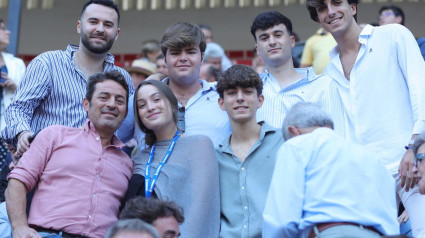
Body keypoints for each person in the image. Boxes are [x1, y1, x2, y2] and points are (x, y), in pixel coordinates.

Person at [305, 0, 425, 235]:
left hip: (411, 164)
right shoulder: (329, 71)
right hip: (367, 180)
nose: (330, 11)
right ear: (318, 19)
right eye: (322, 8)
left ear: (353, 6)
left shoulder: (393, 35)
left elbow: (421, 92)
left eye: (337, 2)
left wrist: (417, 148)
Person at [5, 71, 133, 238]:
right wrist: (20, 227)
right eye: (104, 97)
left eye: (120, 100)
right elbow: (17, 182)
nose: (112, 104)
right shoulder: (55, 136)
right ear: (86, 104)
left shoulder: (127, 163)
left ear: (125, 113)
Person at [1, 0, 134, 157]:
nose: (100, 29)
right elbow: (18, 109)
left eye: (108, 24)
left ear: (116, 33)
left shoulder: (122, 79)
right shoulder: (47, 64)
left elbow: (127, 127)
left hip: (98, 173)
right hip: (44, 168)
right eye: (93, 22)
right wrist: (23, 135)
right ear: (79, 26)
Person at [263, 102, 399, 238]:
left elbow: (281, 220)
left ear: (293, 131)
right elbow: (391, 220)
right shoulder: (371, 157)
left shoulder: (296, 146)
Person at [126, 79, 220, 238]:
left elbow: (201, 210)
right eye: (142, 105)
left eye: (156, 99)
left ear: (171, 104)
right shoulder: (138, 159)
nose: (150, 107)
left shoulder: (199, 145)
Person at [215, 65, 284, 238]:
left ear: (260, 100)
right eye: (231, 93)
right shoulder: (215, 157)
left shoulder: (284, 142)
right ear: (221, 103)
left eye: (247, 92)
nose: (239, 98)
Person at [250, 11, 343, 131]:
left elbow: (336, 137)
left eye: (278, 35)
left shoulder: (323, 85)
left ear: (292, 41)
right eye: (264, 38)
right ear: (257, 49)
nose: (272, 42)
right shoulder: (250, 91)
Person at [160, 22, 230, 147]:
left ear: (202, 57)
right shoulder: (143, 99)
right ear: (165, 59)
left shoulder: (224, 96)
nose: (183, 58)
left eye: (190, 52)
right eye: (175, 53)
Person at [0, 18, 25, 195]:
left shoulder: (16, 64)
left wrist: (14, 86)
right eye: (2, 29)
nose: (8, 32)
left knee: (7, 175)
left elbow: (28, 97)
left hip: (6, 129)